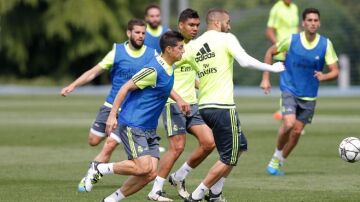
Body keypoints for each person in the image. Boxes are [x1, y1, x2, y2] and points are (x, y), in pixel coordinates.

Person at [182, 8, 285, 202]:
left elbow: (177, 65)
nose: (229, 26)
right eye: (227, 22)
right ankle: (197, 195)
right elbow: (244, 62)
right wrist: (272, 68)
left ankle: (215, 193)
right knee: (229, 156)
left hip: (204, 107)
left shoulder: (194, 45)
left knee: (240, 147)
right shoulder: (226, 39)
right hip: (223, 106)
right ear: (217, 22)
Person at [80, 31, 185, 202]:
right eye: (180, 48)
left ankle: (111, 200)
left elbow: (163, 88)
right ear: (169, 49)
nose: (183, 51)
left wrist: (179, 99)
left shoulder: (169, 67)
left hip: (148, 127)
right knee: (142, 167)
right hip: (133, 123)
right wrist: (112, 116)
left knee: (150, 173)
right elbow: (125, 88)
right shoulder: (153, 69)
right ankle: (100, 169)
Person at [60, 18, 157, 192]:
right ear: (129, 33)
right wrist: (72, 85)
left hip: (130, 111)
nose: (141, 36)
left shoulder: (151, 55)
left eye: (143, 33)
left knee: (110, 145)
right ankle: (108, 144)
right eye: (137, 32)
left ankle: (91, 174)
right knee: (93, 140)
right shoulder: (117, 51)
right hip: (110, 105)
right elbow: (94, 72)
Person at [260, 8, 339, 176]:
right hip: (289, 89)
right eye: (309, 20)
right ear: (303, 23)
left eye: (315, 20)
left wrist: (324, 76)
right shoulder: (291, 40)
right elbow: (270, 52)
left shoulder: (326, 44)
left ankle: (278, 160)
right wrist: (265, 78)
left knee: (296, 132)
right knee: (288, 124)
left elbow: (335, 71)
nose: (312, 23)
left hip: (309, 95)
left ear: (319, 23)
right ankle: (276, 155)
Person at [147, 9, 215, 202]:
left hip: (192, 104)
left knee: (209, 143)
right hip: (172, 104)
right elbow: (160, 79)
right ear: (181, 26)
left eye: (197, 25)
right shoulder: (170, 49)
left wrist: (204, 86)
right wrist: (178, 98)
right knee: (177, 147)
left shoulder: (193, 48)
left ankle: (179, 177)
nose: (195, 29)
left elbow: (192, 75)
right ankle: (156, 190)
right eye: (191, 25)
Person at [265, 0, 299, 120]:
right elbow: (269, 31)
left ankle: (287, 111)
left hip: (295, 49)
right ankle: (286, 113)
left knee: (294, 81)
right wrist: (280, 46)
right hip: (283, 51)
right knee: (288, 82)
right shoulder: (276, 8)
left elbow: (296, 29)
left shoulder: (294, 7)